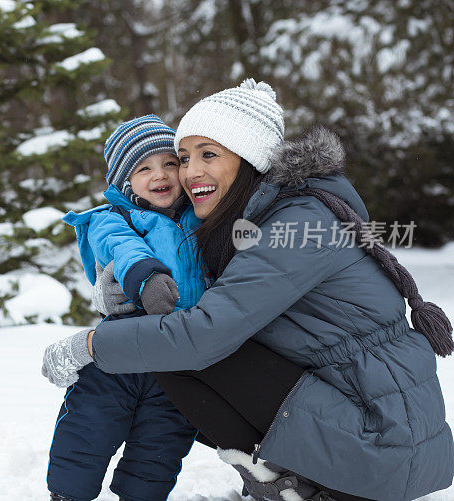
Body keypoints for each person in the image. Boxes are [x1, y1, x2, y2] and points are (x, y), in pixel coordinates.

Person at [42, 79, 454, 500]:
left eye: (209, 155)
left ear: (250, 160)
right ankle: (288, 476)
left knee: (184, 354)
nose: (189, 172)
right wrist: (126, 289)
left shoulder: (296, 225)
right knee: (176, 346)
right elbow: (214, 296)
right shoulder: (252, 222)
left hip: (384, 447)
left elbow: (202, 331)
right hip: (380, 431)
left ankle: (296, 485)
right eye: (184, 157)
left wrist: (92, 344)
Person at [44, 115, 205, 501]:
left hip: (176, 359)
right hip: (120, 354)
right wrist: (146, 279)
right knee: (88, 427)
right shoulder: (111, 219)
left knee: (161, 443)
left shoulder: (200, 218)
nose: (160, 175)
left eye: (169, 163)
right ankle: (68, 494)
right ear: (123, 181)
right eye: (144, 168)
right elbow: (122, 248)